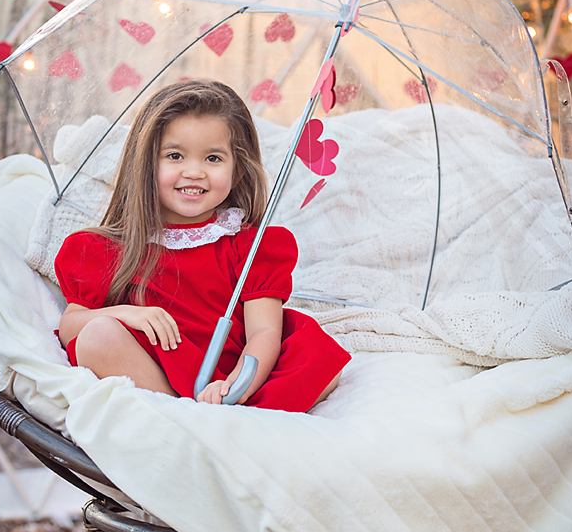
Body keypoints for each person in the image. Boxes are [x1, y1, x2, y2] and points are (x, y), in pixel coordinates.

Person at [55, 79, 351, 410]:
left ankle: (224, 414)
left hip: (233, 371)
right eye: (175, 155)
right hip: (156, 371)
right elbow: (70, 327)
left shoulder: (253, 247)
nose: (194, 171)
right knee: (98, 337)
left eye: (213, 158)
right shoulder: (106, 249)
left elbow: (264, 332)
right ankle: (183, 417)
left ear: (238, 171)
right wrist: (128, 315)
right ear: (146, 164)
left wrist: (235, 384)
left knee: (319, 360)